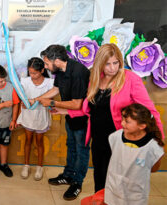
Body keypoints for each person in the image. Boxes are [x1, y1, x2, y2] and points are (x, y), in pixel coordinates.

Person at [58, 44, 164, 193]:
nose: (112, 68)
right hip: (98, 140)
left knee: (117, 183)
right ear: (100, 64)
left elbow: (150, 111)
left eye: (116, 63)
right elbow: (91, 111)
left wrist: (159, 140)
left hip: (120, 140)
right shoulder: (95, 79)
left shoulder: (130, 79)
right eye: (107, 64)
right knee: (100, 179)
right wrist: (67, 111)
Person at [37, 45, 90, 200]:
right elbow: (56, 90)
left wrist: (52, 104)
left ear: (57, 60)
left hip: (83, 119)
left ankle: (77, 183)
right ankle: (67, 175)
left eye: (47, 63)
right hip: (70, 117)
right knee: (71, 147)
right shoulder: (60, 71)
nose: (45, 67)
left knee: (82, 151)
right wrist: (38, 99)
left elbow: (77, 104)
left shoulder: (79, 72)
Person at [104, 104, 164, 205]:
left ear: (142, 126)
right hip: (113, 191)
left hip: (135, 197)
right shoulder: (115, 137)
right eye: (122, 119)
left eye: (127, 121)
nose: (122, 123)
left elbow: (153, 169)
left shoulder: (153, 147)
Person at [16, 57, 54, 180]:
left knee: (39, 142)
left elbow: (50, 100)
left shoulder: (49, 83)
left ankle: (39, 166)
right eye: (30, 72)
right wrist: (23, 103)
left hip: (41, 116)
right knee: (28, 140)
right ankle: (26, 165)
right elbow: (21, 97)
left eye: (35, 73)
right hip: (28, 116)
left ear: (42, 70)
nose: (32, 75)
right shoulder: (25, 81)